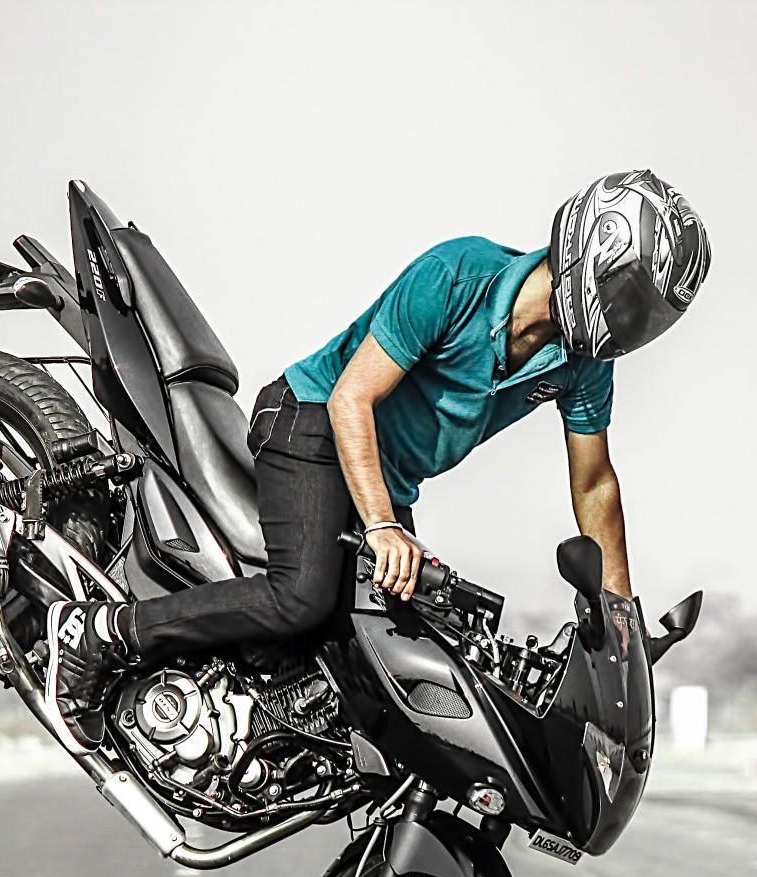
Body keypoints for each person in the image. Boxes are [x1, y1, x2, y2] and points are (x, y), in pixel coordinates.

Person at [44, 169, 711, 726]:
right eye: (631, 305)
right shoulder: (459, 274)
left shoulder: (582, 364)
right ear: (594, 252)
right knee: (300, 597)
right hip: (309, 421)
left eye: (647, 320)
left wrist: (620, 617)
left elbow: (594, 484)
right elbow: (350, 400)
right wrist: (385, 526)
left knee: (417, 651)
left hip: (379, 478)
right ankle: (102, 632)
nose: (631, 329)